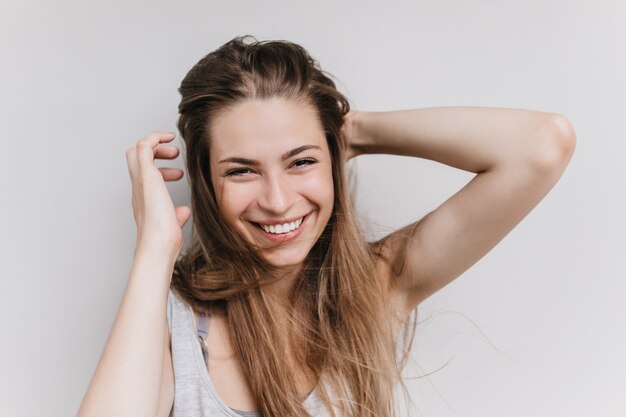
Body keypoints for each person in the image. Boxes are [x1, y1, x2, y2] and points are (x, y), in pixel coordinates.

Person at [76, 35, 576, 417]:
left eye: (301, 162)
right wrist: (154, 247)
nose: (276, 201)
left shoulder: (377, 286)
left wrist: (350, 129)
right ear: (207, 183)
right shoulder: (173, 325)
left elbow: (541, 146)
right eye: (242, 170)